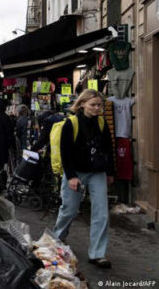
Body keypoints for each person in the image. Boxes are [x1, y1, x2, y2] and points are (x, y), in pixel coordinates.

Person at [53, 89, 114, 269]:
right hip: (76, 172)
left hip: (97, 172)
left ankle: (97, 254)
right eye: (93, 105)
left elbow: (108, 149)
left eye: (99, 105)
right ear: (81, 104)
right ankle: (58, 239)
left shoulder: (102, 123)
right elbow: (66, 152)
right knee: (69, 209)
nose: (97, 108)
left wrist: (110, 173)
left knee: (101, 212)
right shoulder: (71, 123)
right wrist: (71, 176)